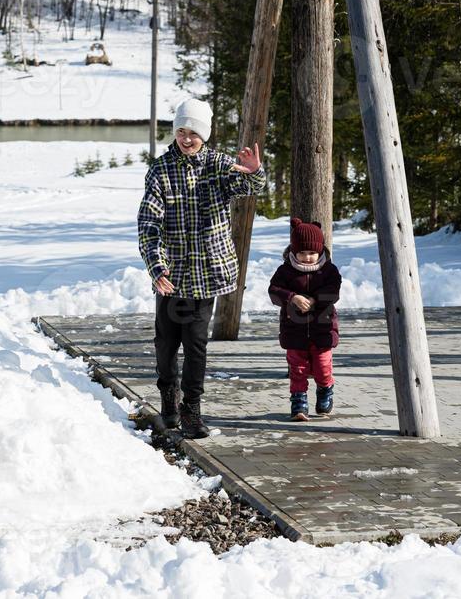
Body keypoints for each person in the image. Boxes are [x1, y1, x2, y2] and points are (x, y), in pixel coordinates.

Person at [137, 98, 265, 439]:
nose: (186, 138)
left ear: (204, 134)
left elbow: (249, 188)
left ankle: (191, 409)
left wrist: (254, 172)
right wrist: (157, 268)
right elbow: (149, 224)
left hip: (206, 274)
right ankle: (169, 395)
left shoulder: (219, 166)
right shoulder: (160, 171)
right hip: (173, 277)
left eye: (193, 132)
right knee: (166, 344)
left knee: (195, 344)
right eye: (181, 131)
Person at [268, 217, 341, 421]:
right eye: (302, 253)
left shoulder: (329, 271)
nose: (307, 257)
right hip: (294, 331)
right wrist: (293, 297)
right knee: (297, 369)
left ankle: (325, 389)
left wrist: (316, 299)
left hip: (322, 330)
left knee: (322, 367)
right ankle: (299, 403)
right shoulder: (285, 271)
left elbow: (333, 292)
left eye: (312, 253)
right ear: (293, 251)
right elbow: (274, 291)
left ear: (320, 251)